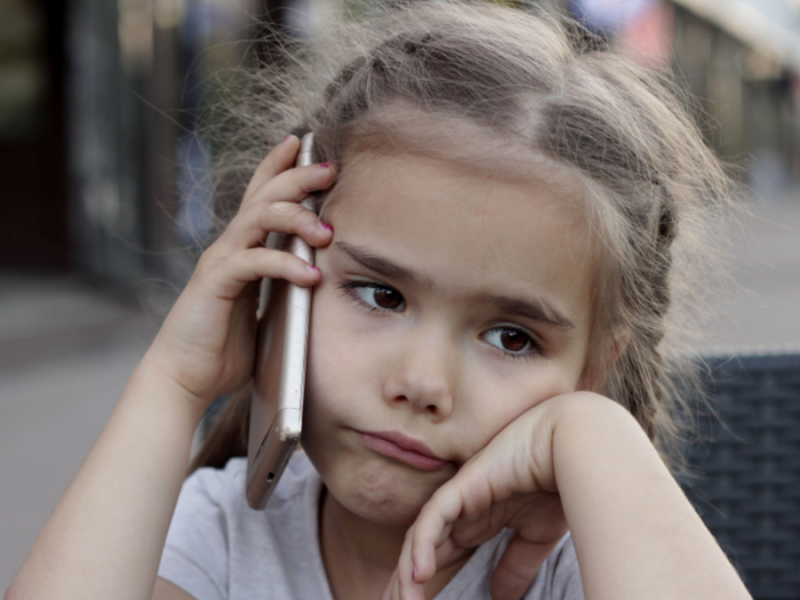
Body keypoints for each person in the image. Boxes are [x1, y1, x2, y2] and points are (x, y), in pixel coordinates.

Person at [10, 2, 752, 600]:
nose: (423, 383)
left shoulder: (576, 565)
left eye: (513, 338)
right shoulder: (225, 536)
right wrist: (173, 384)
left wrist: (595, 432)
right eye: (380, 294)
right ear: (284, 276)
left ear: (591, 367)